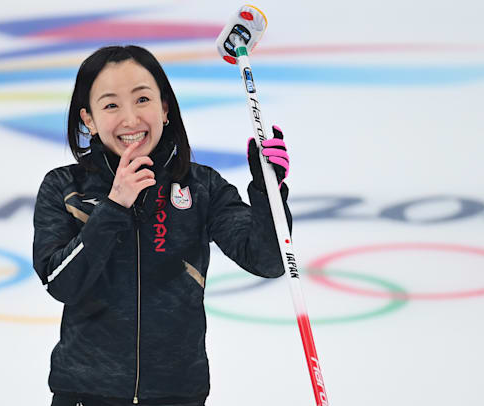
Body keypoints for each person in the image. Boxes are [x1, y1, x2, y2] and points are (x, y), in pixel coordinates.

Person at [32, 45, 292, 406]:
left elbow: (268, 260)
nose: (130, 119)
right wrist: (114, 205)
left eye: (142, 99)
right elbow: (61, 283)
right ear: (88, 119)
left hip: (177, 394)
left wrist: (267, 192)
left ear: (165, 108)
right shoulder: (64, 188)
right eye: (110, 105)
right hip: (85, 393)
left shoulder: (202, 187)